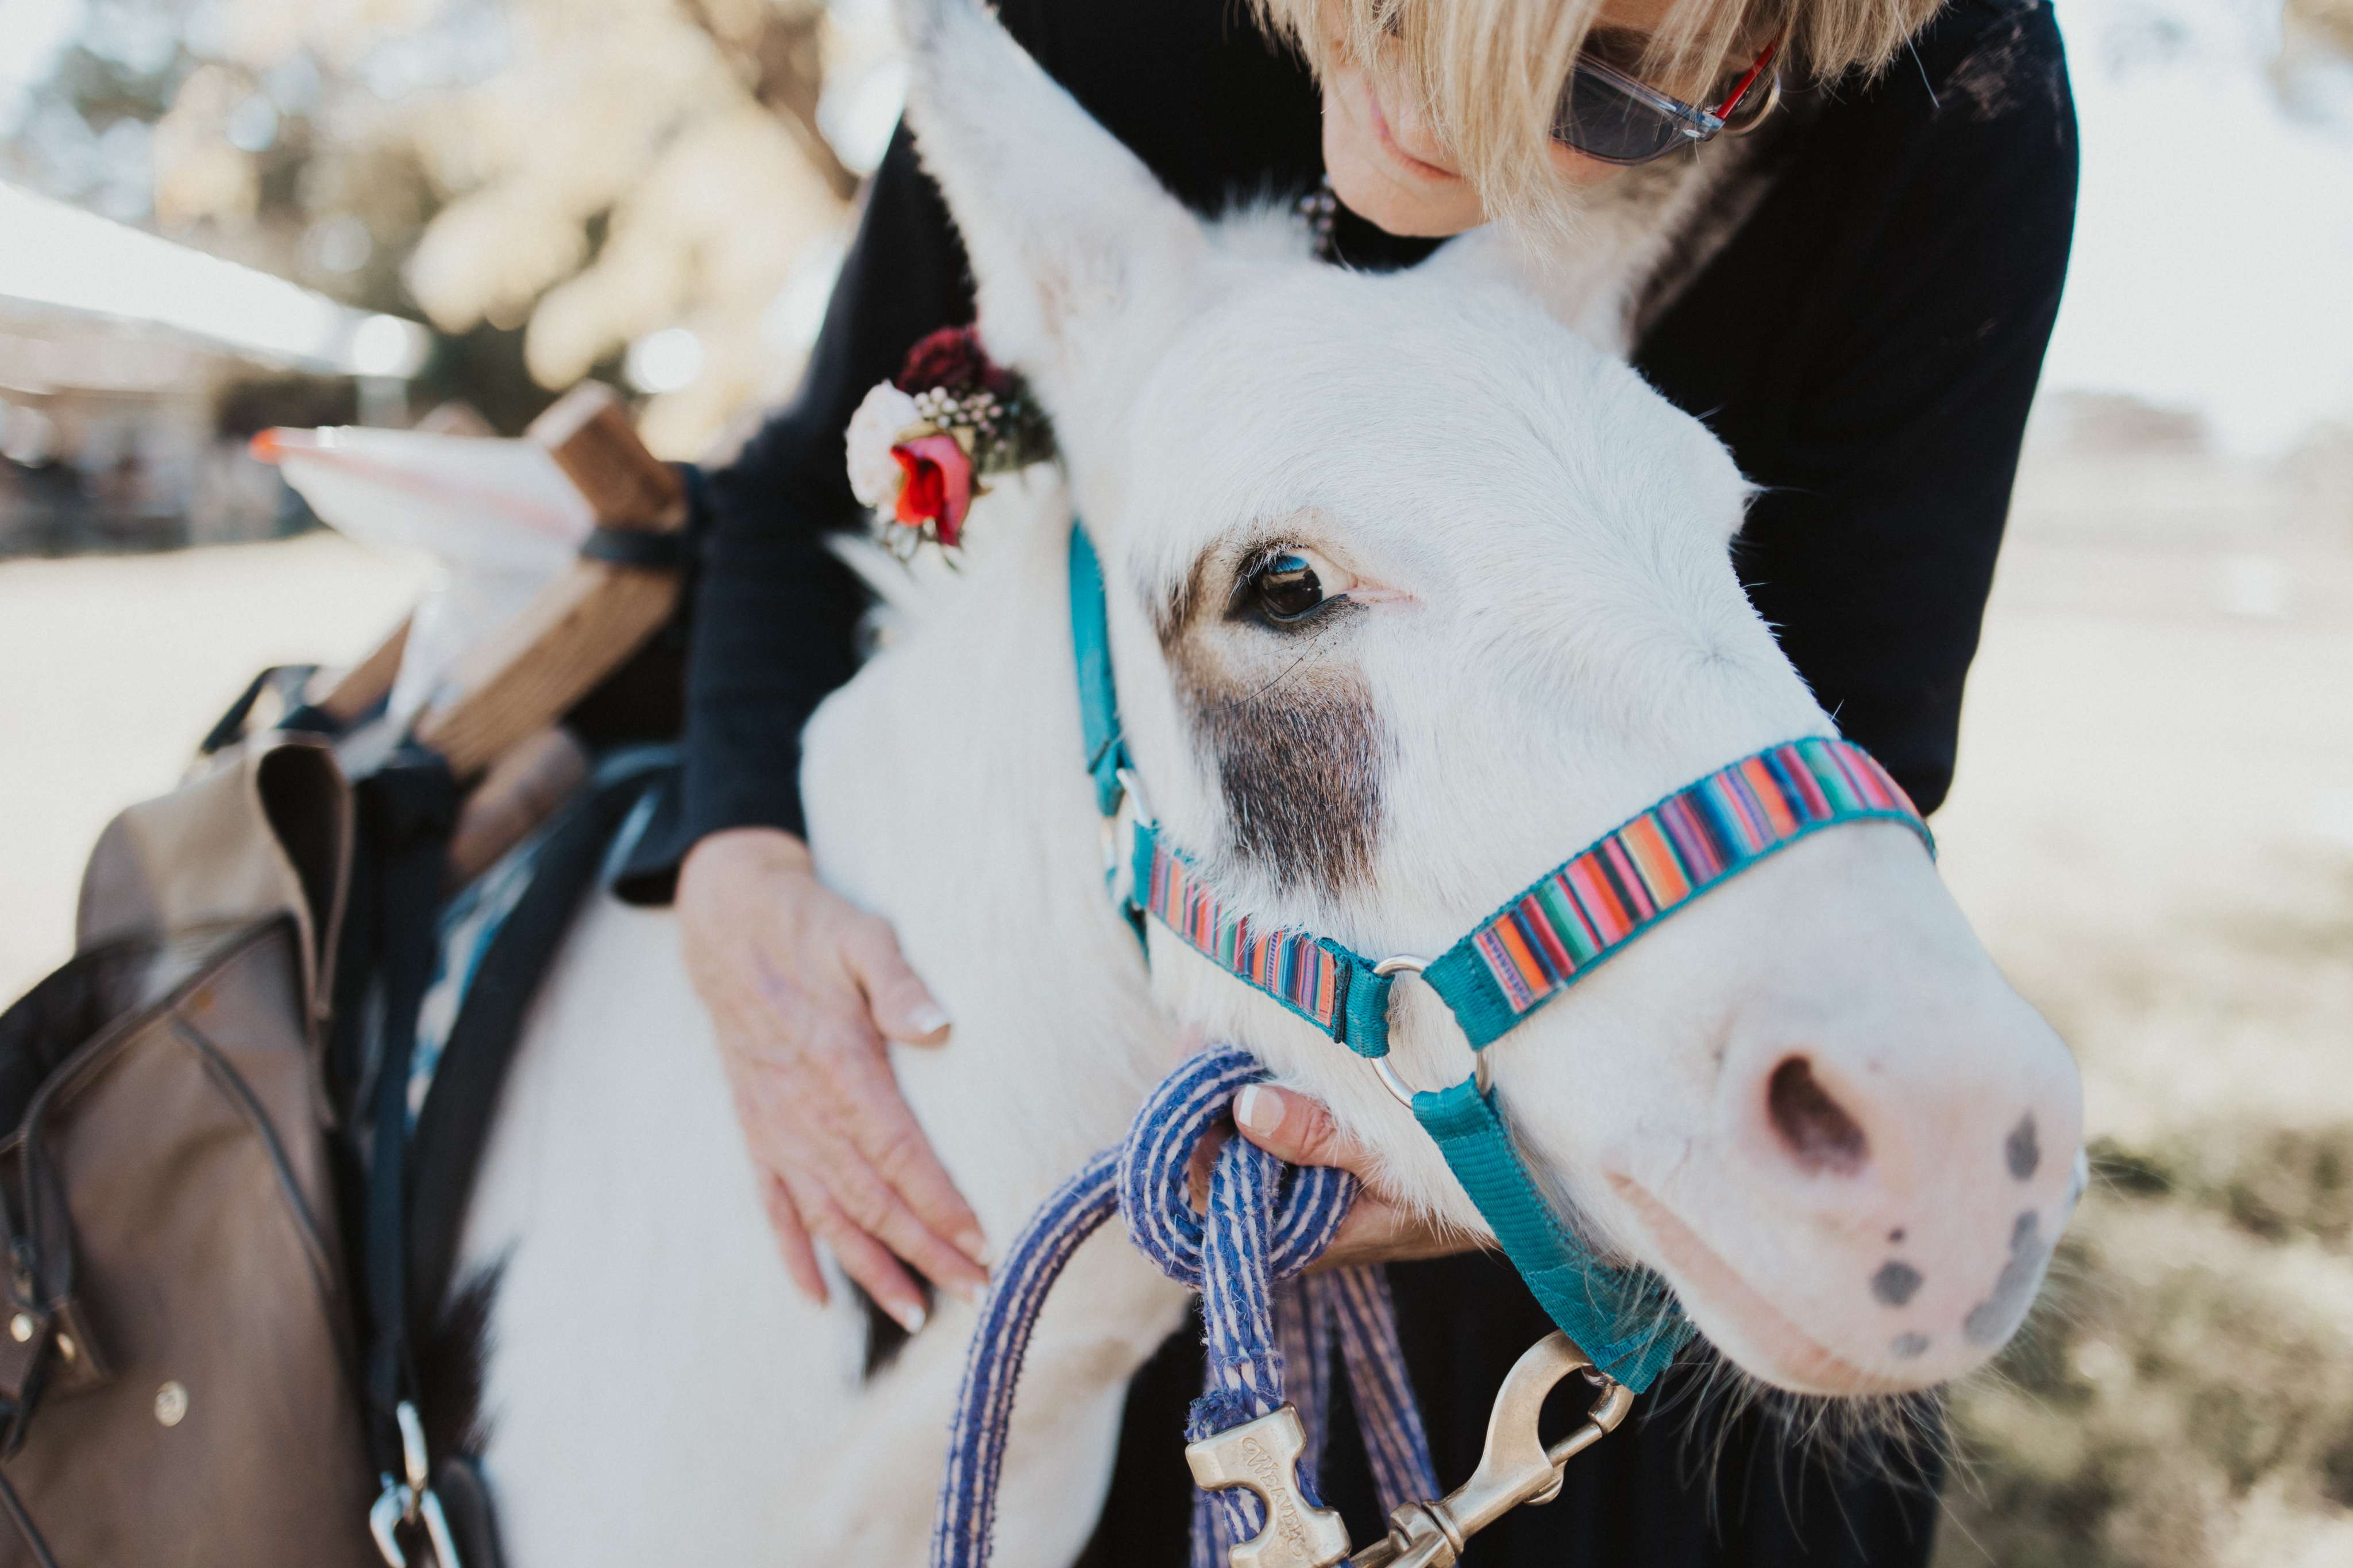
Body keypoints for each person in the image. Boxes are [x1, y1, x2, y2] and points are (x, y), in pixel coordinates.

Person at [645, 0, 2077, 1561]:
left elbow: (1869, 723)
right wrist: (736, 857)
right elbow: (799, 488)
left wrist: (1463, 1163)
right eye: (1387, 7)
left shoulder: (1952, 104)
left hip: (1606, 960)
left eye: (1603, 88)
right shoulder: (1099, 27)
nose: (1438, 113)